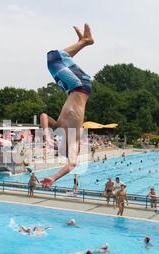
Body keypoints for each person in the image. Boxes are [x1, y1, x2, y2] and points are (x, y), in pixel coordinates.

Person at [39, 23, 94, 189]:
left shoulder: (60, 127)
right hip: (80, 86)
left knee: (57, 59)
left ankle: (84, 41)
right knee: (53, 58)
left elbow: (43, 116)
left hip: (71, 89)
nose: (59, 145)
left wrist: (47, 134)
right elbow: (71, 165)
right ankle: (85, 41)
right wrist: (54, 178)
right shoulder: (74, 138)